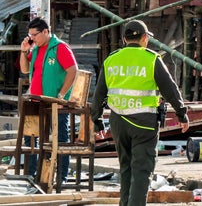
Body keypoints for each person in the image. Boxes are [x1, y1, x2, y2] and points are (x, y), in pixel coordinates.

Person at [91, 20, 190, 206]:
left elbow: (99, 94)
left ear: (124, 39)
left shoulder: (111, 59)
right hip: (144, 123)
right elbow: (170, 89)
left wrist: (97, 120)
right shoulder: (151, 59)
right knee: (142, 171)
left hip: (118, 122)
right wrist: (181, 114)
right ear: (144, 38)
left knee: (126, 168)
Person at [19, 17, 78, 183]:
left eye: (34, 35)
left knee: (60, 140)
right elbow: (24, 69)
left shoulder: (60, 48)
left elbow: (73, 71)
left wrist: (61, 97)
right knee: (30, 139)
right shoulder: (36, 49)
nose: (32, 38)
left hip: (55, 103)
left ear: (45, 32)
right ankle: (31, 176)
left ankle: (62, 177)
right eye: (29, 35)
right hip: (36, 101)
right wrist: (24, 51)